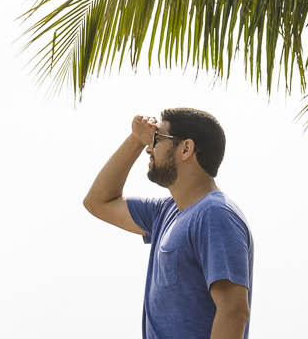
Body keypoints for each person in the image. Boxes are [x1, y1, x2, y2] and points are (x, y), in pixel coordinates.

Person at [83, 109, 254, 339]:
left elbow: (233, 311)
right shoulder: (165, 212)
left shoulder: (215, 214)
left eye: (156, 139)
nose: (149, 148)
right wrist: (135, 139)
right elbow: (97, 202)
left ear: (186, 149)